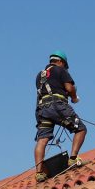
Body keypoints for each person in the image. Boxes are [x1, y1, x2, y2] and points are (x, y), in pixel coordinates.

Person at [34, 50, 87, 182]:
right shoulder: (60, 70)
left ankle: (39, 173)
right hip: (57, 106)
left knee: (42, 139)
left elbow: (48, 89)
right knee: (80, 129)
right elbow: (69, 88)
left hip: (42, 110)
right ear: (60, 62)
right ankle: (73, 159)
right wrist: (74, 98)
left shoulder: (39, 76)